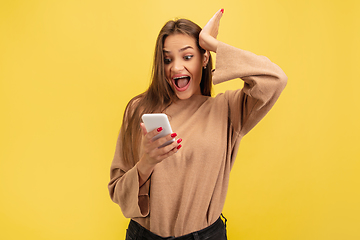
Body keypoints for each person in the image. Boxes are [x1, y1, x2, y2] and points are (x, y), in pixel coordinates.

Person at [108, 9, 287, 240]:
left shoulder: (229, 110)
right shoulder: (139, 110)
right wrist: (146, 163)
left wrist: (211, 44)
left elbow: (275, 79)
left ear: (204, 59)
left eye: (187, 56)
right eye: (167, 59)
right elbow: (118, 191)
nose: (175, 67)